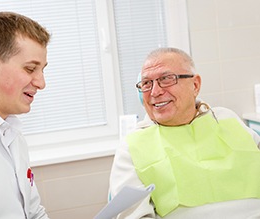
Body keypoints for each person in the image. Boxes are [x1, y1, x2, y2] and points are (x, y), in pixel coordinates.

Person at [109, 47, 260, 218]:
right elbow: (135, 215)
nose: (155, 92)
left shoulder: (226, 118)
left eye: (166, 79)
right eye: (146, 84)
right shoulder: (132, 146)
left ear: (195, 85)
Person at [0, 12, 51, 219]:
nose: (41, 83)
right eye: (30, 69)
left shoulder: (11, 133)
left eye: (42, 70)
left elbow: (33, 211)